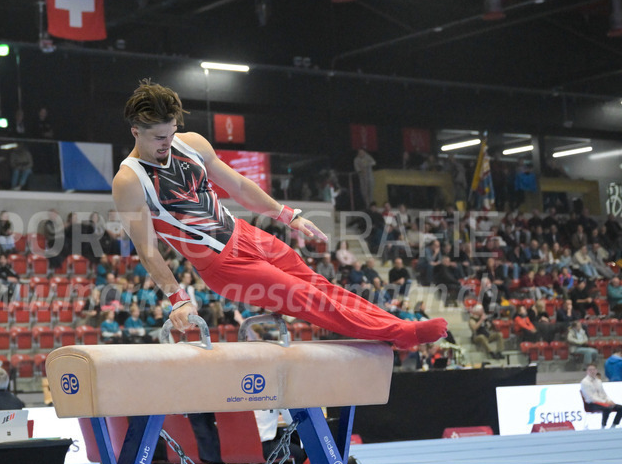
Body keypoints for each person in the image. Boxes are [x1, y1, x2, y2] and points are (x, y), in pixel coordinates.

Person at [112, 80, 447, 348]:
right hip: (222, 265)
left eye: (171, 133)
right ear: (135, 131)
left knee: (320, 285)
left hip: (247, 234)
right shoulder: (129, 180)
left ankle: (400, 328)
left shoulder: (192, 143)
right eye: (159, 138)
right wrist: (178, 298)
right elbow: (147, 248)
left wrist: (288, 215)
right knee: (306, 297)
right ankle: (402, 333)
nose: (167, 143)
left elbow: (241, 187)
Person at [580, 364, 622, 428]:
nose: (592, 371)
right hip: (592, 404)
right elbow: (590, 397)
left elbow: (604, 394)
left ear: (596, 371)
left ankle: (614, 425)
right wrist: (604, 402)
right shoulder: (584, 382)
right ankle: (603, 426)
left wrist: (609, 400)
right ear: (587, 371)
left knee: (620, 408)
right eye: (590, 370)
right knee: (607, 408)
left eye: (594, 369)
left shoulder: (598, 381)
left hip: (602, 402)